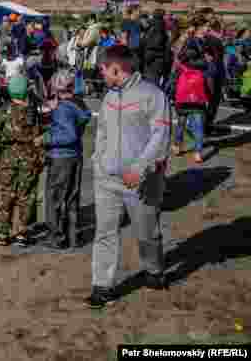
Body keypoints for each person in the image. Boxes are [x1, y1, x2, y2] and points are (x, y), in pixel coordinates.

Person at [86, 45, 169, 309]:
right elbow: (102, 131)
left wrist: (141, 168)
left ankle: (153, 270)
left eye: (102, 70)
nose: (101, 74)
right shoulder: (109, 97)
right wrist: (98, 160)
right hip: (107, 180)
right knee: (104, 233)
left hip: (141, 181)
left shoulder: (152, 95)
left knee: (147, 233)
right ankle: (102, 286)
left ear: (115, 69)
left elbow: (160, 136)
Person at [0, 75, 44, 247]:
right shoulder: (31, 112)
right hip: (28, 159)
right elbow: (38, 137)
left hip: (7, 159)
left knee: (5, 195)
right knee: (26, 196)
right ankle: (22, 233)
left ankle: (2, 233)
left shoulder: (1, 111)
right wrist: (40, 159)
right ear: (25, 91)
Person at [41, 69, 91, 249]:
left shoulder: (63, 109)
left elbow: (68, 135)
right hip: (75, 156)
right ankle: (73, 236)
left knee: (54, 198)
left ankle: (56, 237)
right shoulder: (79, 104)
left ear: (57, 87)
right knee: (72, 197)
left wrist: (46, 139)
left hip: (61, 157)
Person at [169, 42, 209, 164]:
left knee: (180, 123)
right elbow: (207, 85)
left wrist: (171, 97)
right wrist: (207, 97)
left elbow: (173, 83)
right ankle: (197, 152)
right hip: (198, 102)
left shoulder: (180, 67)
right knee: (198, 127)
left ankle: (177, 146)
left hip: (182, 101)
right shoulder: (202, 67)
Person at [141, 9, 172, 88]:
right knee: (153, 84)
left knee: (150, 83)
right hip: (156, 60)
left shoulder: (153, 26)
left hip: (151, 59)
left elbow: (152, 43)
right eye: (165, 15)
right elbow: (158, 43)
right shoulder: (160, 26)